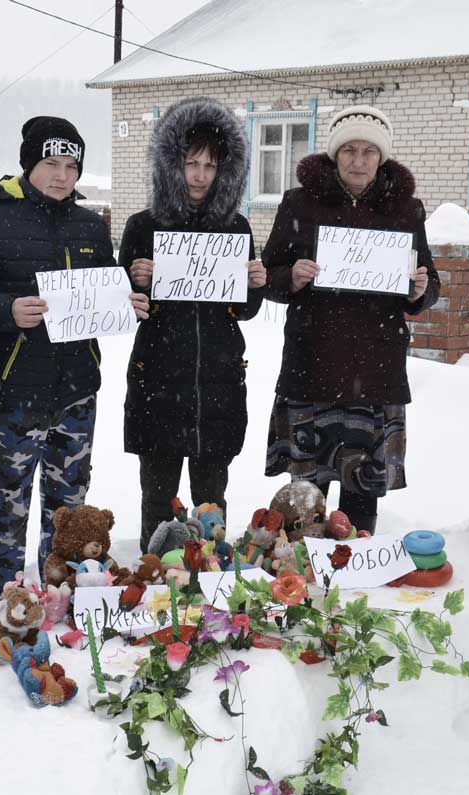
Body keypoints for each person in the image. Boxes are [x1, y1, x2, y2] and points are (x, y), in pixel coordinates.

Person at [0, 116, 150, 598]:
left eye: (71, 166)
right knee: (8, 506)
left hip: (77, 391)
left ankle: (60, 593)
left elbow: (101, 291)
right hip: (15, 393)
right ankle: (9, 598)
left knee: (69, 510)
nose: (62, 175)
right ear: (28, 165)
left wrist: (126, 301)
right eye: (51, 163)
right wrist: (6, 310)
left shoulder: (90, 225)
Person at [261, 105, 439, 534]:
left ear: (382, 158)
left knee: (362, 492)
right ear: (334, 155)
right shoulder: (299, 202)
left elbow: (429, 280)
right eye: (349, 151)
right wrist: (293, 277)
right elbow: (267, 275)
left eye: (368, 152)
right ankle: (302, 575)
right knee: (308, 496)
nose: (358, 161)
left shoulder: (405, 209)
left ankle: (359, 569)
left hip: (374, 369)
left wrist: (420, 290)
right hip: (313, 363)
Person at [119, 97, 265, 550]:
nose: (200, 174)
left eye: (210, 165)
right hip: (158, 380)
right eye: (191, 163)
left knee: (209, 501)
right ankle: (154, 586)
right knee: (157, 501)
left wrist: (254, 284)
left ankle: (208, 587)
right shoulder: (143, 226)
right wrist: (134, 280)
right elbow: (122, 308)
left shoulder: (236, 227)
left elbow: (244, 310)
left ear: (225, 170)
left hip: (216, 383)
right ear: (172, 165)